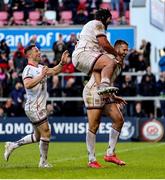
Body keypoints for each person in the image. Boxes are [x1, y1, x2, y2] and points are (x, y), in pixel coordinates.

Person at [4, 45, 69, 168]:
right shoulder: (28, 70)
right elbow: (27, 84)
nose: (39, 52)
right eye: (36, 51)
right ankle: (43, 162)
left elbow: (54, 71)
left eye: (38, 50)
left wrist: (62, 63)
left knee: (38, 136)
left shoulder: (40, 67)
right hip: (34, 107)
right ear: (29, 55)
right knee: (46, 132)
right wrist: (41, 76)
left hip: (38, 107)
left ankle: (12, 145)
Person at [83, 40, 128, 168]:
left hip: (105, 92)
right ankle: (91, 160)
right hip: (93, 91)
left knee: (119, 120)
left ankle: (110, 154)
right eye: (124, 49)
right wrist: (100, 89)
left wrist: (113, 95)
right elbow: (96, 72)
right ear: (116, 48)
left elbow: (108, 79)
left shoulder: (119, 62)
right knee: (94, 125)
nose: (126, 52)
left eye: (126, 50)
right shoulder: (109, 57)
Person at [72, 8, 122, 95]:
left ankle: (101, 89)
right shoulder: (98, 24)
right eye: (109, 19)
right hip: (84, 53)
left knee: (99, 69)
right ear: (104, 17)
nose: (109, 23)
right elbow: (104, 43)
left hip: (80, 56)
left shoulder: (89, 26)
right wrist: (116, 54)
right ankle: (104, 86)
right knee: (110, 62)